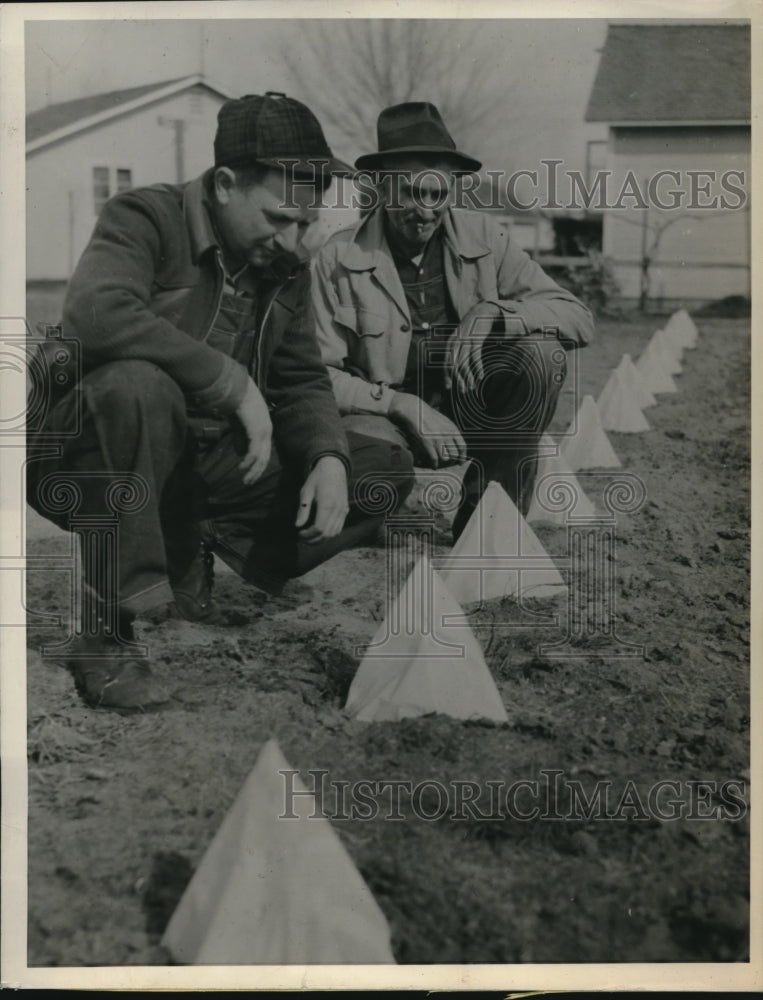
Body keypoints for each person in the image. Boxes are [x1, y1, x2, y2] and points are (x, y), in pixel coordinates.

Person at [27, 93, 414, 711]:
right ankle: (105, 632)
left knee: (380, 468)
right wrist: (231, 382)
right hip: (90, 456)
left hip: (201, 464)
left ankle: (188, 542)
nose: (293, 239)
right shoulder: (145, 216)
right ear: (226, 184)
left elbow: (300, 379)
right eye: (279, 218)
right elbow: (95, 315)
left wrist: (327, 456)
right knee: (139, 385)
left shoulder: (283, 263)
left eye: (306, 222)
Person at [311, 102, 594, 538]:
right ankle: (378, 516)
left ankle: (488, 524)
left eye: (438, 194)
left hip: (475, 414)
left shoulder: (488, 238)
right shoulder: (337, 257)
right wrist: (400, 404)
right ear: (382, 187)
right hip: (388, 421)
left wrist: (495, 314)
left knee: (542, 354)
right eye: (410, 192)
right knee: (364, 459)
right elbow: (316, 376)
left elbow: (578, 317)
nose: (425, 210)